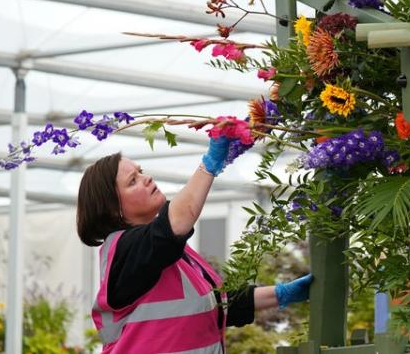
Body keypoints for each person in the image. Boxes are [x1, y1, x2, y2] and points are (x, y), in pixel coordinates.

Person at [76, 135, 312, 353]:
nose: (146, 178)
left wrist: (283, 294)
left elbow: (217, 304)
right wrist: (208, 165)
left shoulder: (170, 254)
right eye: (133, 181)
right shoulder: (126, 250)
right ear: (113, 209)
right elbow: (175, 223)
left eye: (141, 171)